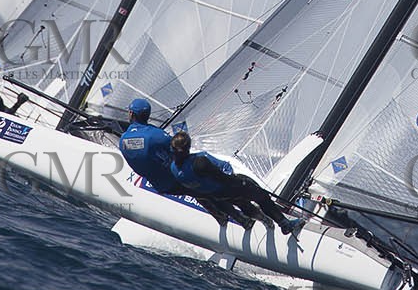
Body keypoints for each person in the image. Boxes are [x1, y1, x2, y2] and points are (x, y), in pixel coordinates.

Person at [169, 130, 305, 237]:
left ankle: (263, 219)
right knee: (262, 197)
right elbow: (222, 177)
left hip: (216, 195)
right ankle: (284, 224)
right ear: (188, 147)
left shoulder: (174, 168)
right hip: (229, 187)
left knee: (241, 203)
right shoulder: (199, 162)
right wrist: (241, 182)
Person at [117, 98, 186, 195]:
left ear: (131, 113)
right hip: (177, 181)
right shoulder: (156, 135)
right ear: (148, 115)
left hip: (158, 185)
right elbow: (180, 147)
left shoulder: (122, 139)